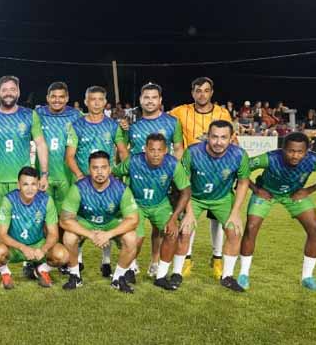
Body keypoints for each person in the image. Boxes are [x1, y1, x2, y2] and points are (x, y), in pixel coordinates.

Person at [238, 133, 316, 293]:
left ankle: (307, 278)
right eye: (290, 151)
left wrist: (309, 190)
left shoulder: (314, 160)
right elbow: (241, 168)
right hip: (267, 193)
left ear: (307, 151)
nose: (295, 155)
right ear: (282, 149)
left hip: (294, 194)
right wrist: (256, 189)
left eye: (300, 152)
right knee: (251, 228)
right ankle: (243, 275)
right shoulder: (270, 158)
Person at [162, 120, 251, 292]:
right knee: (185, 231)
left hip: (222, 198)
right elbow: (184, 184)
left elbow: (242, 183)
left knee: (234, 232)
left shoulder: (239, 155)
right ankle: (177, 273)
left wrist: (235, 212)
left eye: (223, 137)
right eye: (214, 137)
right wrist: (188, 212)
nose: (218, 142)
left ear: (231, 138)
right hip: (194, 197)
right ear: (207, 137)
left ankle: (227, 276)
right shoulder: (193, 152)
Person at [168, 77, 233, 279]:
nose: (202, 94)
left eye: (206, 91)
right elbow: (160, 121)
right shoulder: (180, 111)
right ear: (192, 92)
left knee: (217, 217)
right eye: (198, 90)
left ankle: (217, 258)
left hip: (216, 172)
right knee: (188, 217)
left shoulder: (222, 113)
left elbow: (231, 139)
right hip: (189, 174)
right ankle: (187, 258)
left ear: (211, 92)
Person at [0, 75, 51, 230]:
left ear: (18, 92)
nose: (8, 93)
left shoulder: (29, 115)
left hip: (24, 182)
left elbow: (40, 144)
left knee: (27, 221)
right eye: (4, 90)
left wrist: (44, 174)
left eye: (12, 89)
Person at [112, 133, 192, 286]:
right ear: (145, 149)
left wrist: (174, 218)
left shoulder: (173, 164)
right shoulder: (134, 161)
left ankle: (161, 276)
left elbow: (186, 191)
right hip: (136, 204)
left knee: (172, 233)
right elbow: (114, 173)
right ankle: (129, 269)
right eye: (152, 150)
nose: (156, 154)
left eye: (160, 150)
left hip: (160, 204)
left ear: (166, 150)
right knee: (136, 238)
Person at [64, 85, 127, 277]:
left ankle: (106, 261)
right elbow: (70, 156)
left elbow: (123, 151)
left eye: (100, 99)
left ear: (105, 102)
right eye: (92, 99)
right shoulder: (77, 125)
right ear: (86, 101)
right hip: (85, 185)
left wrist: (121, 171)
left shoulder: (113, 125)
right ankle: (79, 260)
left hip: (108, 183)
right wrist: (81, 176)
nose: (97, 103)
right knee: (81, 220)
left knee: (107, 218)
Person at [58, 151, 140, 292]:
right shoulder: (79, 188)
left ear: (110, 168)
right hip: (87, 222)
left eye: (103, 167)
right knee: (69, 237)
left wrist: (108, 234)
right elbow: (65, 220)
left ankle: (118, 278)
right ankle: (75, 276)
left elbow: (133, 220)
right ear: (89, 169)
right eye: (95, 168)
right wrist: (91, 234)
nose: (99, 172)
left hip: (111, 222)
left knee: (132, 238)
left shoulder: (121, 189)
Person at [0, 167, 69, 290]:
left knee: (62, 255)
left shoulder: (46, 200)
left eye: (33, 184)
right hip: (15, 247)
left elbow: (53, 234)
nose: (30, 188)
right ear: (18, 185)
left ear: (38, 184)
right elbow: (1, 235)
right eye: (25, 184)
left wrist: (43, 250)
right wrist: (23, 247)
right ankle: (5, 274)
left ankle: (42, 270)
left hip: (38, 245)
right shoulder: (9, 200)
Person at [35, 81, 83, 216]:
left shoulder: (76, 115)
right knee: (44, 214)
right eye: (53, 96)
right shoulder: (37, 114)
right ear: (47, 98)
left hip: (67, 174)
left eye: (61, 97)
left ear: (67, 98)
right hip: (44, 174)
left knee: (66, 215)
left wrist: (123, 126)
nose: (57, 100)